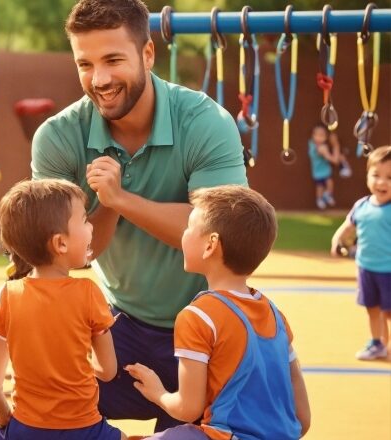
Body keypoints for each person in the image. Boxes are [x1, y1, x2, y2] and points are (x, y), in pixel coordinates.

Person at [31, 0, 247, 430]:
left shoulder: (205, 122)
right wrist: (106, 207)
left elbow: (222, 238)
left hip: (208, 322)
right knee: (41, 407)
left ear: (148, 54)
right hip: (118, 325)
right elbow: (70, 256)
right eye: (85, 64)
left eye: (113, 60)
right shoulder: (57, 137)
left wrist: (121, 199)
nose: (100, 79)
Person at [125, 185, 311, 440]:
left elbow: (188, 408)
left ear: (211, 244)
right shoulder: (275, 314)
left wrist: (158, 392)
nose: (184, 233)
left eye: (189, 226)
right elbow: (303, 416)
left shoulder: (198, 316)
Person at [0, 179, 126, 440]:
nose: (91, 227)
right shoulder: (89, 293)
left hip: (26, 430)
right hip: (87, 431)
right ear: (61, 244)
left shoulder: (7, 295)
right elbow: (108, 370)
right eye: (84, 220)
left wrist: (3, 417)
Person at [331, 146, 391, 361]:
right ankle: (378, 343)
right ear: (367, 176)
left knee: (389, 312)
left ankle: (385, 343)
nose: (382, 182)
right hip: (366, 268)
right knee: (372, 309)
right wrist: (337, 239)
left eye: (390, 177)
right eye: (376, 175)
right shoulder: (362, 206)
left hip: (389, 271)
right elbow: (348, 226)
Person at [307, 124, 340, 210]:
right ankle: (320, 199)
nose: (319, 137)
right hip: (318, 172)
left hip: (325, 171)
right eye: (317, 135)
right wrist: (335, 145)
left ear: (326, 137)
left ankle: (327, 195)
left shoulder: (314, 145)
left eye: (322, 135)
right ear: (313, 136)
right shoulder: (320, 147)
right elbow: (333, 160)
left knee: (329, 183)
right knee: (320, 186)